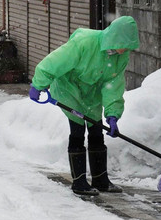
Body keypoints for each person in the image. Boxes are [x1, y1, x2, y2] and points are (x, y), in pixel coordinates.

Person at [29, 15, 140, 195]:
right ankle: (79, 182)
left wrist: (113, 114)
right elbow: (55, 61)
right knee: (78, 129)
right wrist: (39, 84)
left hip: (91, 94)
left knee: (96, 131)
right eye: (124, 44)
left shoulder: (121, 56)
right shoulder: (85, 43)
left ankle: (100, 179)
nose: (125, 49)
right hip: (69, 89)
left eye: (129, 46)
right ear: (115, 38)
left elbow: (113, 85)